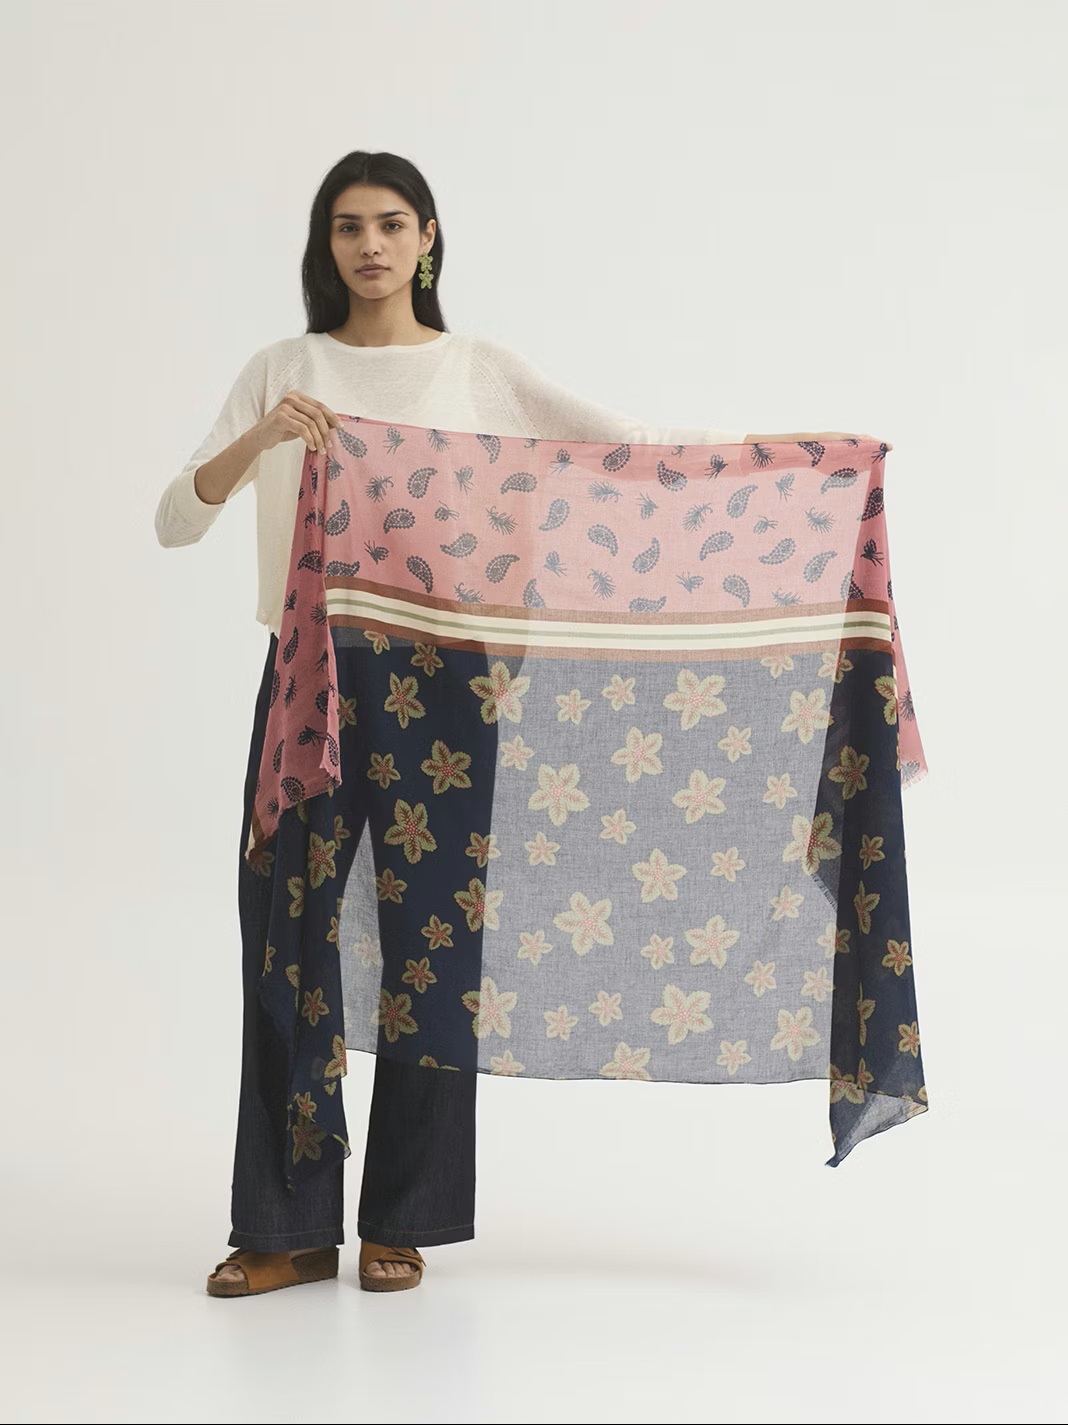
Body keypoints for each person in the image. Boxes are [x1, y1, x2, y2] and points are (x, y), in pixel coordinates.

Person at [154, 150, 886, 1297]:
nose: (370, 245)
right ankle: (283, 1227)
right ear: (325, 245)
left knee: (431, 948)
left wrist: (798, 463)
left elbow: (625, 450)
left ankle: (401, 1220)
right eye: (348, 226)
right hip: (311, 677)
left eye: (391, 223)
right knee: (281, 933)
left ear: (427, 240)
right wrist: (263, 441)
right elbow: (174, 519)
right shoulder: (283, 370)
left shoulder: (478, 372)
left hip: (449, 682)